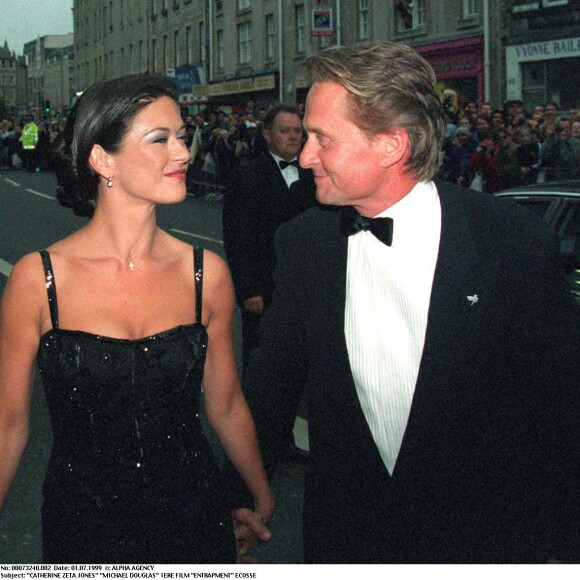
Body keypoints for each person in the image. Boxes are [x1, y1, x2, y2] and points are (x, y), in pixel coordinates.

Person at [239, 43, 580, 563]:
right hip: (348, 544)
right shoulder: (303, 243)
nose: (306, 155)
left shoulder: (507, 239)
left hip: (484, 546)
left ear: (392, 145)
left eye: (322, 139)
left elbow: (559, 404)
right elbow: (271, 386)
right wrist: (241, 495)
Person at [0, 74, 274, 564]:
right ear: (103, 159)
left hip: (195, 516)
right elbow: (8, 424)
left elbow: (227, 403)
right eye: (160, 139)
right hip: (82, 524)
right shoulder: (36, 280)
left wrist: (259, 495)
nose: (183, 153)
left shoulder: (205, 274)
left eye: (182, 137)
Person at [223, 103, 316, 465]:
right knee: (261, 373)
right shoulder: (248, 175)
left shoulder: (312, 173)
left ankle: (284, 439)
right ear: (267, 134)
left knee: (296, 370)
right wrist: (248, 289)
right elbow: (238, 238)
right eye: (286, 131)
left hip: (304, 292)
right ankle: (252, 447)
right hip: (264, 292)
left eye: (298, 131)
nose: (293, 137)